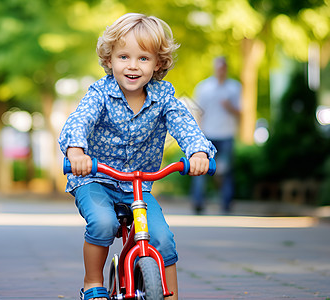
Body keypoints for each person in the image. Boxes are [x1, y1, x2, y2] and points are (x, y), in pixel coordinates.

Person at [58, 13, 216, 300]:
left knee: (164, 239)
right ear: (109, 60)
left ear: (158, 63)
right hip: (95, 178)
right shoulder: (100, 94)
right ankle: (93, 281)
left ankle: (170, 296)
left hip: (137, 187)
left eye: (143, 58)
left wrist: (198, 152)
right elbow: (79, 121)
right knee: (103, 223)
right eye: (123, 57)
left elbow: (184, 123)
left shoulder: (164, 96)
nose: (132, 66)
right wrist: (76, 152)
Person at [191, 56, 242, 214]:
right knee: (200, 170)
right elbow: (197, 112)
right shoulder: (204, 87)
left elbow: (241, 112)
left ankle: (226, 203)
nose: (220, 71)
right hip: (207, 136)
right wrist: (198, 135)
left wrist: (229, 106)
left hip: (226, 135)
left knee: (226, 171)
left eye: (223, 68)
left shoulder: (234, 88)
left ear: (226, 69)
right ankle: (198, 202)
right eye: (218, 67)